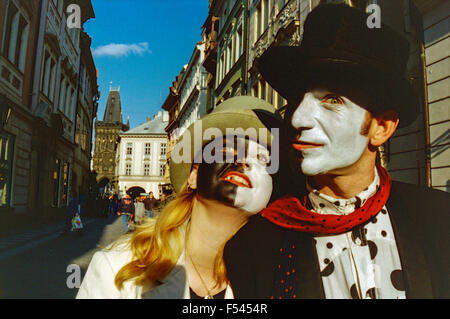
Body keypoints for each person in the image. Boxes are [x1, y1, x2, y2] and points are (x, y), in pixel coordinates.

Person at [224, 4, 450, 299]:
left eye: (332, 100)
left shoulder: (437, 218)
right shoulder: (255, 246)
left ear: (381, 127)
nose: (297, 119)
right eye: (297, 98)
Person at [76, 96, 282, 299]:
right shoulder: (117, 270)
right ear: (194, 175)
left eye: (263, 159)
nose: (243, 161)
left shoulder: (278, 281)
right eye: (227, 150)